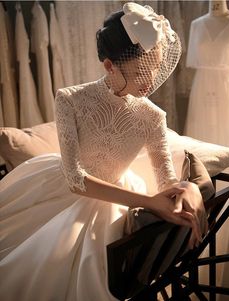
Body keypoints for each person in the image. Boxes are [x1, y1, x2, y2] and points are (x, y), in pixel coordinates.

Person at [0, 3, 207, 301]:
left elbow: (165, 179)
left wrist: (188, 189)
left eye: (155, 67)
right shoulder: (70, 100)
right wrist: (148, 201)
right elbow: (75, 179)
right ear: (109, 65)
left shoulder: (152, 116)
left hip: (114, 201)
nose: (150, 81)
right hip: (63, 189)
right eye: (140, 72)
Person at [184, 0, 229, 147]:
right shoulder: (196, 25)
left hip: (227, 82)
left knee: (227, 124)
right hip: (202, 83)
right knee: (201, 124)